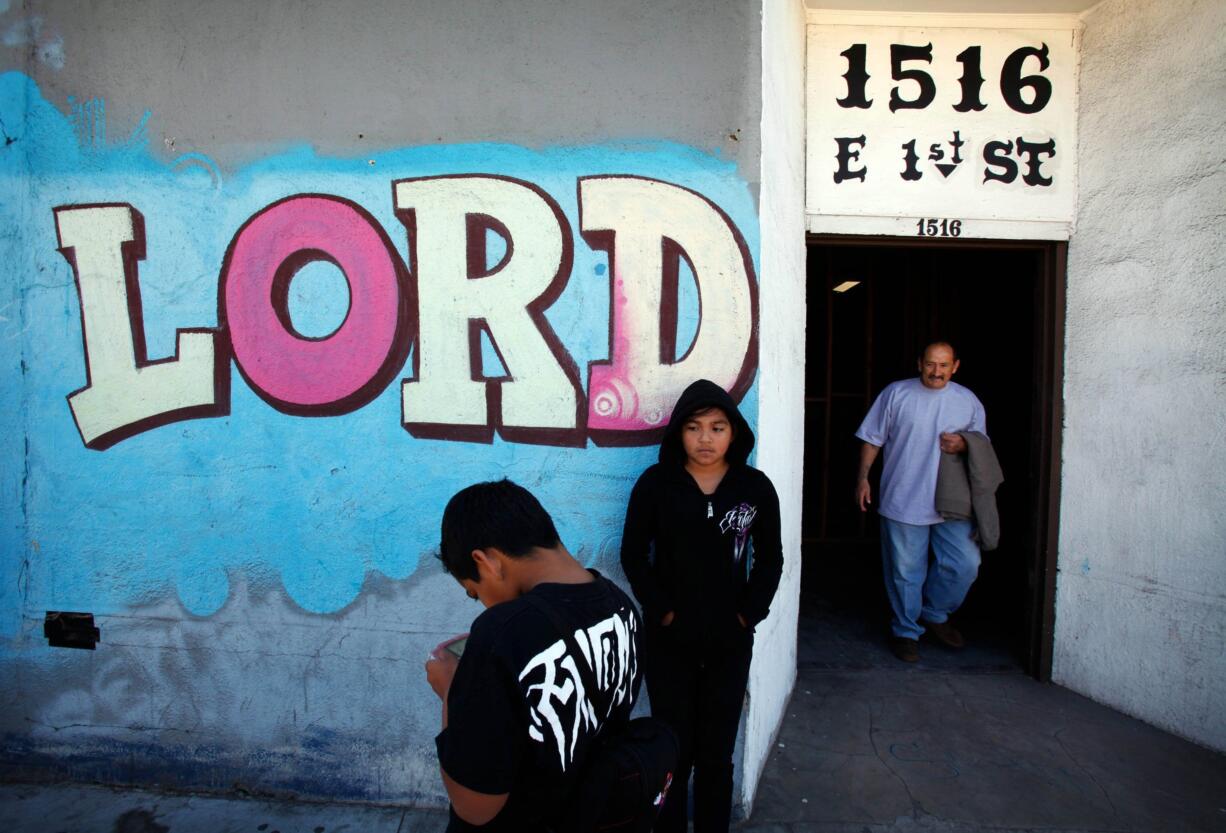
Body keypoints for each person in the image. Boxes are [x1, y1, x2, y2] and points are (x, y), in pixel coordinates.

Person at [426, 479, 644, 832]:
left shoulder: (500, 632)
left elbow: (473, 806)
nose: (482, 601)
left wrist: (452, 691)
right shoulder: (620, 605)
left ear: (486, 561)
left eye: (473, 592)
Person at [620, 379, 783, 833]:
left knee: (717, 751)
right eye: (693, 428)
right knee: (674, 749)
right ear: (678, 434)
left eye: (717, 427)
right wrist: (664, 611)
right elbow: (633, 554)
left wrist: (748, 615)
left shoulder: (754, 488)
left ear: (734, 433)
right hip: (670, 640)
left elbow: (771, 559)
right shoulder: (656, 485)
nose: (705, 439)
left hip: (731, 640)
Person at [855, 341, 987, 663]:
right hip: (903, 496)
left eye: (943, 365)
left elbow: (982, 448)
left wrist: (965, 445)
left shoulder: (967, 400)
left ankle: (935, 613)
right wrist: (862, 477)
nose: (936, 371)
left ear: (955, 366)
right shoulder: (896, 394)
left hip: (953, 502)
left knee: (965, 564)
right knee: (904, 571)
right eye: (930, 364)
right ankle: (906, 631)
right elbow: (873, 439)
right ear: (919, 364)